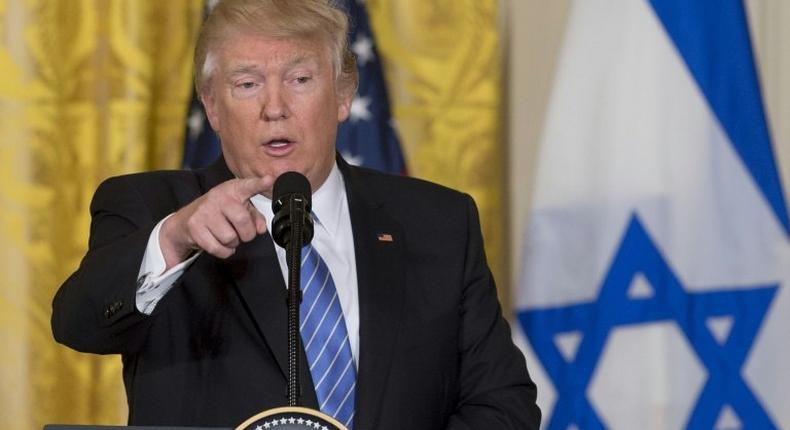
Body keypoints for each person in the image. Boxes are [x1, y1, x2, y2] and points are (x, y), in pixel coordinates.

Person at [51, 0, 541, 428]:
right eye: (246, 84)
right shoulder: (152, 208)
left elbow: (502, 404)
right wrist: (176, 237)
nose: (275, 107)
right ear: (213, 106)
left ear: (343, 95)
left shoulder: (438, 222)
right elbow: (78, 324)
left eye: (300, 79)